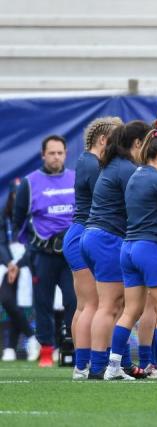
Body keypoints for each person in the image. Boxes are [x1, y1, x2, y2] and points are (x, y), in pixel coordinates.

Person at [106, 124, 157, 381]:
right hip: (151, 248)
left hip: (128, 248)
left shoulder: (135, 175)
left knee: (131, 311)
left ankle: (113, 366)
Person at [81, 121, 150, 379]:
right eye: (147, 143)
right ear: (136, 144)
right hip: (106, 239)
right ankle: (98, 367)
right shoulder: (127, 169)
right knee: (109, 306)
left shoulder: (115, 165)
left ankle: (114, 362)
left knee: (116, 304)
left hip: (95, 236)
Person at [63, 117, 122, 378]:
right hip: (84, 233)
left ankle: (81, 363)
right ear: (103, 140)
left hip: (80, 234)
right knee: (92, 304)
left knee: (85, 304)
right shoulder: (92, 163)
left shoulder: (86, 161)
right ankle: (83, 364)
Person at [13, 135, 77, 368]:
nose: (56, 157)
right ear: (43, 155)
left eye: (60, 152)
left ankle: (72, 346)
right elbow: (18, 218)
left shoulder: (75, 178)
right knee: (43, 303)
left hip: (71, 255)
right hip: (42, 255)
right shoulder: (30, 182)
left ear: (65, 154)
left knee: (74, 301)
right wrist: (27, 248)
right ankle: (47, 351)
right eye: (51, 153)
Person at [1, 180, 37, 362]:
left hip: (26, 263)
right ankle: (31, 336)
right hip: (6, 264)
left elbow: (33, 244)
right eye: (15, 195)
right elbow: (1, 243)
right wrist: (9, 264)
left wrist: (19, 264)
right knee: (7, 299)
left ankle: (10, 348)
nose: (17, 198)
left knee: (21, 304)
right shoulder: (3, 216)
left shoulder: (31, 216)